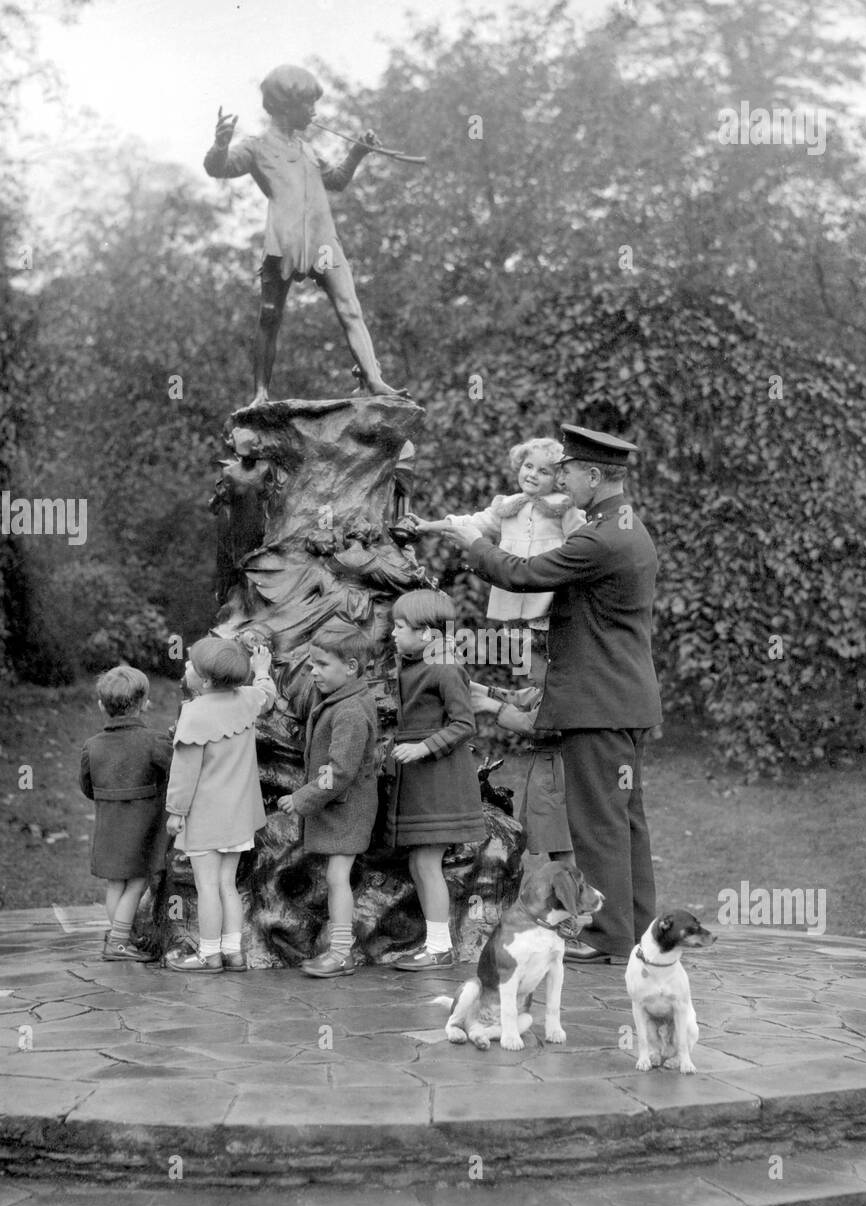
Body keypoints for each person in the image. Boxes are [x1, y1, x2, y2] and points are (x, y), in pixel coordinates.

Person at [444, 423, 662, 964]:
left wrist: (474, 542)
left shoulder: (598, 538)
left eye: (569, 472)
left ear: (594, 475)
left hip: (598, 705)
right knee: (626, 820)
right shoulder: (625, 528)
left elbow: (523, 575)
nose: (560, 481)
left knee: (598, 824)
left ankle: (606, 935)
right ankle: (634, 929)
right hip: (623, 700)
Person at [204, 63, 405, 405]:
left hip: (323, 240)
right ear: (285, 107)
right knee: (270, 316)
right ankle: (261, 393)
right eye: (307, 104)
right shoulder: (256, 147)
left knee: (350, 307)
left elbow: (336, 180)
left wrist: (357, 151)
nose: (313, 111)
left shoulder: (307, 150)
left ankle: (374, 379)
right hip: (285, 241)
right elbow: (218, 167)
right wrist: (220, 145)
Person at [408, 438, 584, 682]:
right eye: (528, 466)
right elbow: (471, 522)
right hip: (515, 592)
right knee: (527, 656)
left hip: (548, 592)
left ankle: (552, 690)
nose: (532, 475)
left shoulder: (564, 507)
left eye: (544, 471)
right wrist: (429, 525)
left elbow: (582, 543)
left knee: (552, 651)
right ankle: (537, 692)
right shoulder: (508, 506)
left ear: (558, 478)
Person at [387, 588, 486, 970]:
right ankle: (434, 943)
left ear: (427, 633)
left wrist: (422, 748)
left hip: (440, 780)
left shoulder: (445, 667)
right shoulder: (413, 664)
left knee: (427, 863)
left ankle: (440, 948)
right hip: (419, 780)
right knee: (419, 863)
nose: (393, 633)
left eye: (400, 626)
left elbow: (464, 724)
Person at [164, 637, 276, 974]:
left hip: (205, 818)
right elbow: (267, 695)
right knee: (228, 884)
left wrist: (176, 812)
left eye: (191, 666)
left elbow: (184, 772)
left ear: (207, 681)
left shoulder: (194, 714)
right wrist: (262, 669)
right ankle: (233, 953)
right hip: (239, 817)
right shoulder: (247, 699)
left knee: (207, 887)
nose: (186, 667)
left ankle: (209, 955)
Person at [277, 628, 378, 979]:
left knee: (337, 877)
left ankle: (340, 953)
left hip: (346, 809)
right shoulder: (343, 699)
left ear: (351, 667)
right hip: (339, 808)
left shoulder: (349, 710)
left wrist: (302, 797)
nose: (313, 672)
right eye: (311, 664)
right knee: (336, 877)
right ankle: (338, 950)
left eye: (322, 664)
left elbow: (340, 771)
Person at [80, 666, 173, 962]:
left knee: (115, 884)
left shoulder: (92, 747)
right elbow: (177, 773)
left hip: (109, 827)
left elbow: (87, 787)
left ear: (101, 705)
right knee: (137, 883)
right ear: (144, 703)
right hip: (142, 829)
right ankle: (119, 942)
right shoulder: (155, 742)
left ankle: (120, 935)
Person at [470, 680, 574, 863]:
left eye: (533, 667)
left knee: (561, 843)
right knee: (553, 841)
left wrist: (496, 708)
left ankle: (571, 880)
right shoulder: (547, 687)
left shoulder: (564, 689)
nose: (528, 673)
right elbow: (520, 698)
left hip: (558, 773)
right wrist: (477, 687)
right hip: (547, 770)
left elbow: (538, 725)